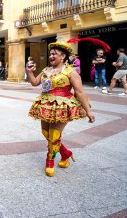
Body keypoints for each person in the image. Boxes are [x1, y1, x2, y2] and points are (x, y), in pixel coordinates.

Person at [27, 40, 95, 177]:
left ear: (63, 56)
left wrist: (88, 111)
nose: (51, 56)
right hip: (46, 103)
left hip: (63, 106)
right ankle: (66, 153)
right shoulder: (46, 70)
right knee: (46, 133)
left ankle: (50, 161)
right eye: (50, 54)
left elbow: (80, 92)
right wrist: (29, 73)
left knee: (54, 135)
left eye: (55, 54)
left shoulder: (71, 72)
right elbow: (35, 83)